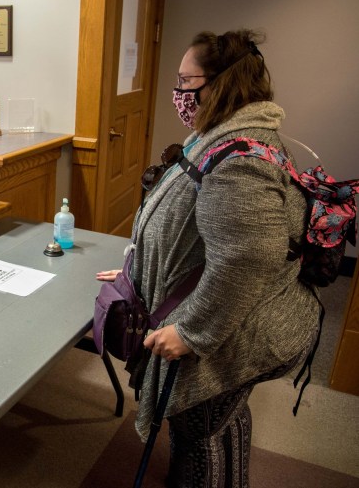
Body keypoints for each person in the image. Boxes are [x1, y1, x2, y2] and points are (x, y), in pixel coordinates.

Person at [97, 29, 320, 487]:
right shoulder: (225, 134)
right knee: (217, 419)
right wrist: (140, 271)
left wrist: (193, 332)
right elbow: (193, 234)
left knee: (200, 429)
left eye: (185, 82)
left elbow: (246, 257)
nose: (178, 94)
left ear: (220, 84)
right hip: (234, 310)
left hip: (236, 324)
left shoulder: (240, 160)